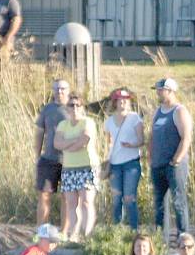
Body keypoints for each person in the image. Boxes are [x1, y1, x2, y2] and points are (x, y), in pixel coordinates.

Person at [149, 78, 193, 238]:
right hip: (157, 164)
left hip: (174, 165)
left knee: (178, 202)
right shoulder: (158, 111)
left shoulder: (179, 111)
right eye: (157, 90)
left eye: (160, 90)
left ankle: (184, 237)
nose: (158, 93)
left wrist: (176, 160)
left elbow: (186, 138)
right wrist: (150, 157)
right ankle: (160, 240)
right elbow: (152, 135)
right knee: (159, 204)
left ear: (170, 91)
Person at [54, 95, 99, 241]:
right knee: (71, 202)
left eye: (78, 105)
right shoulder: (63, 125)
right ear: (67, 108)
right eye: (71, 105)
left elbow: (85, 140)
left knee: (86, 201)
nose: (74, 108)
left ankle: (88, 234)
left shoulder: (88, 122)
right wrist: (74, 141)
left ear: (82, 107)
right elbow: (57, 144)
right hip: (69, 168)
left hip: (86, 166)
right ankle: (74, 234)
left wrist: (68, 144)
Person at [104, 87, 144, 230]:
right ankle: (117, 231)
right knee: (116, 199)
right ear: (115, 102)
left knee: (129, 198)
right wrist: (106, 158)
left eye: (125, 100)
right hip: (115, 164)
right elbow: (107, 142)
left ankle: (134, 230)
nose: (123, 103)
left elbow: (142, 140)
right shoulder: (108, 121)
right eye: (120, 100)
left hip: (131, 163)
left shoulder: (135, 118)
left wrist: (131, 145)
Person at [34, 79, 70, 230]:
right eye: (56, 89)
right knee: (44, 195)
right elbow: (39, 132)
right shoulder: (47, 109)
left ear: (68, 90)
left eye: (62, 89)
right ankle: (41, 230)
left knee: (67, 197)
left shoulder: (74, 108)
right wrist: (37, 155)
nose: (59, 92)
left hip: (70, 161)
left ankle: (65, 232)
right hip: (49, 158)